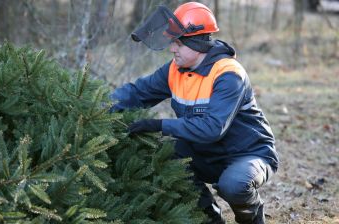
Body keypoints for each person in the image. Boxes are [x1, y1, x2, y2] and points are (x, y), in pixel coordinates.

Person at [110, 2, 279, 224]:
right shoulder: (174, 70)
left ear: (197, 43)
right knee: (167, 156)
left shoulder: (228, 74)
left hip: (247, 154)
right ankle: (210, 219)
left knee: (233, 185)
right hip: (206, 152)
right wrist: (100, 105)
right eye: (172, 42)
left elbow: (211, 129)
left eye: (178, 43)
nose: (173, 49)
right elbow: (138, 93)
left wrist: (158, 125)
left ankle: (252, 215)